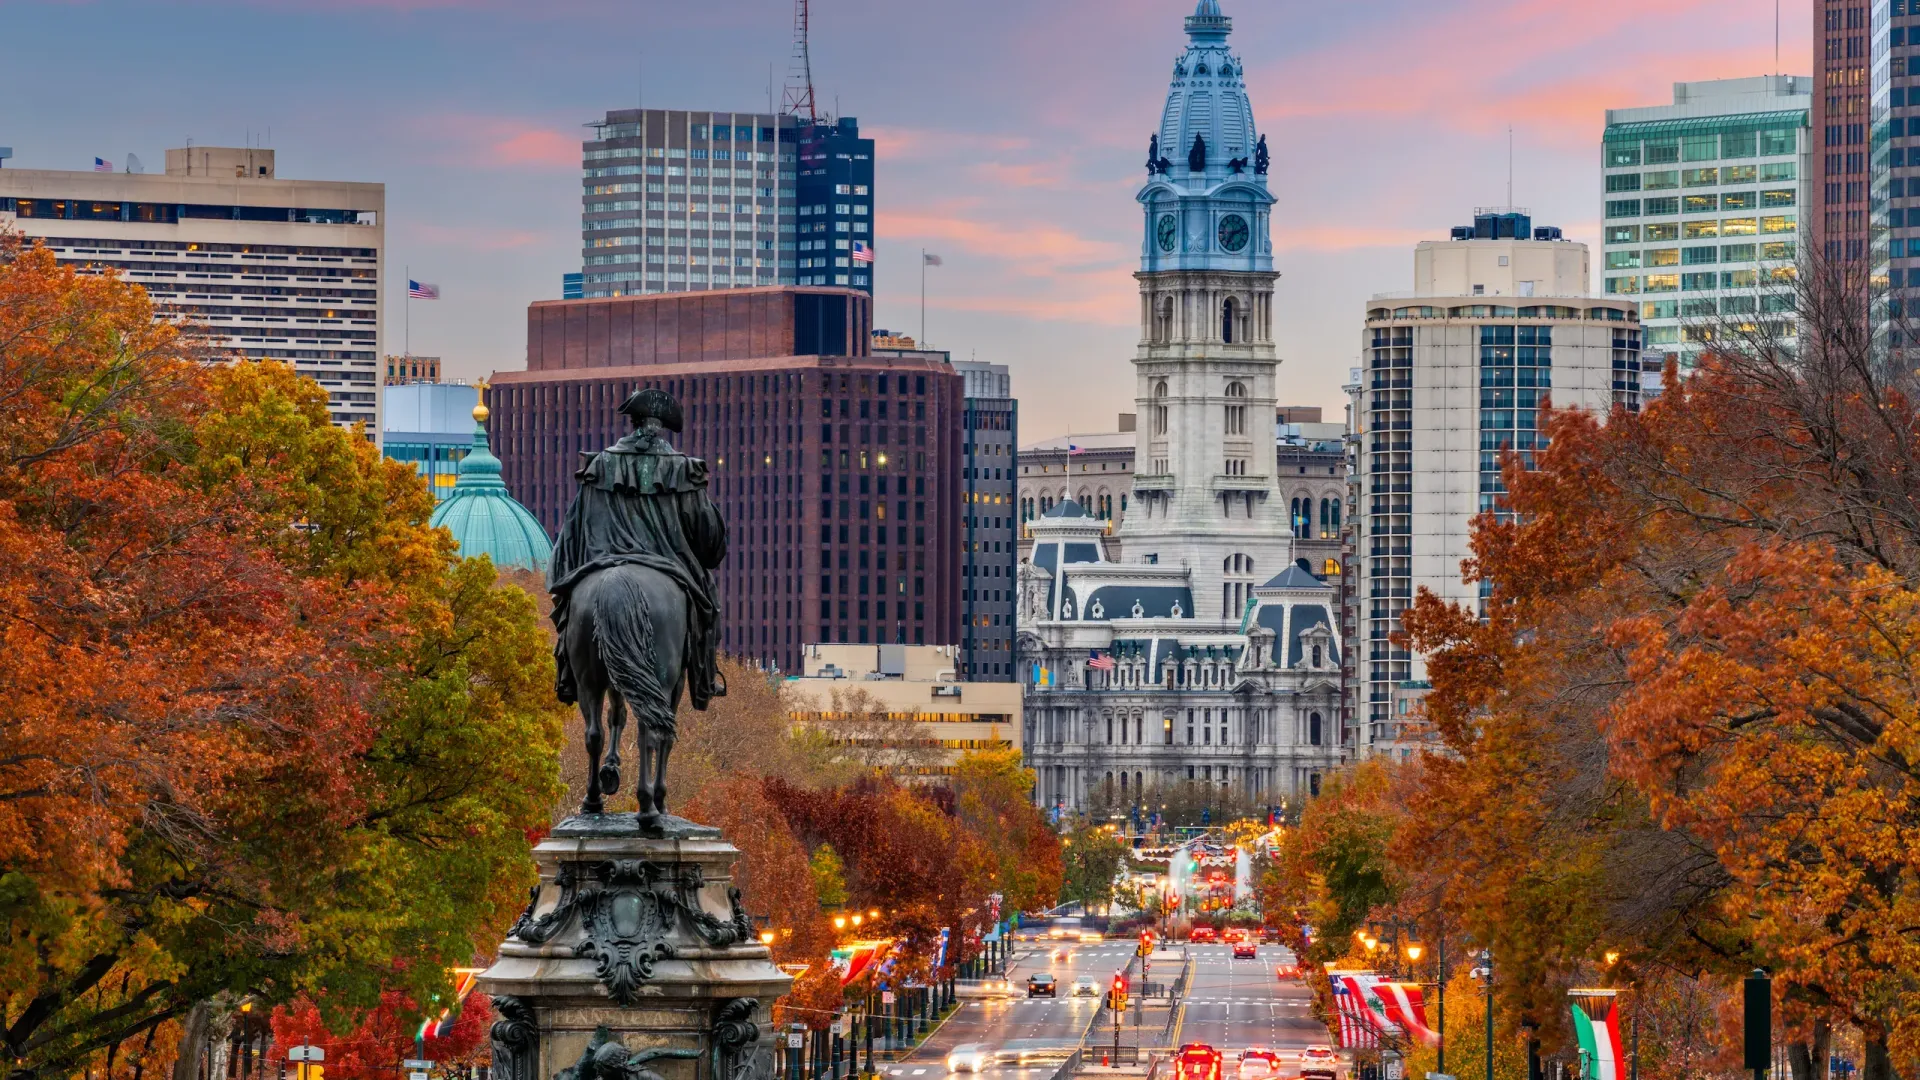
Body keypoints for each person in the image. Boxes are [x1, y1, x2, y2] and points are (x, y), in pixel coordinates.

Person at [547, 388, 726, 708]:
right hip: (668, 564)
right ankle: (706, 678)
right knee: (708, 608)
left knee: (574, 602)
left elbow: (571, 532)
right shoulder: (684, 469)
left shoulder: (599, 465)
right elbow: (709, 540)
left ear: (633, 423)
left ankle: (567, 673)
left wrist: (566, 581)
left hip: (601, 562)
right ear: (661, 427)